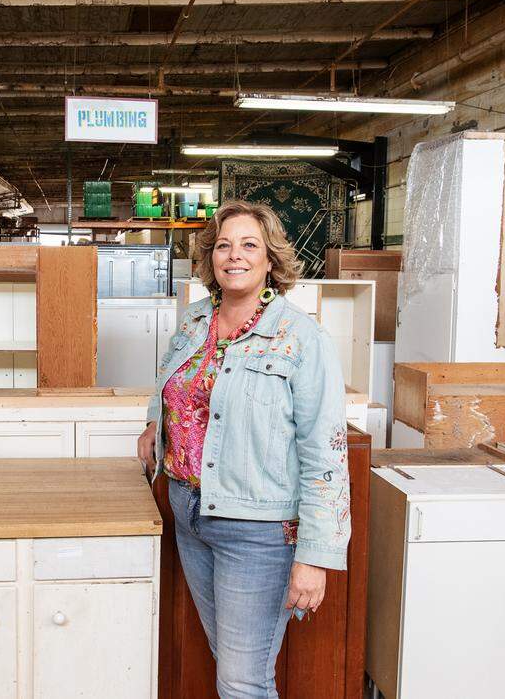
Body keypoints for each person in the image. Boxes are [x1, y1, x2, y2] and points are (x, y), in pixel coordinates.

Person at [137, 200, 350, 699]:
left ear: (271, 260)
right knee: (234, 666)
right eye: (223, 245)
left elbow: (326, 454)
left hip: (257, 531)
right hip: (190, 514)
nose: (235, 255)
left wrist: (315, 556)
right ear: (210, 257)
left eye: (249, 245)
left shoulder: (302, 339)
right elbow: (171, 380)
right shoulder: (194, 322)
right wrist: (155, 421)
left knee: (241, 682)